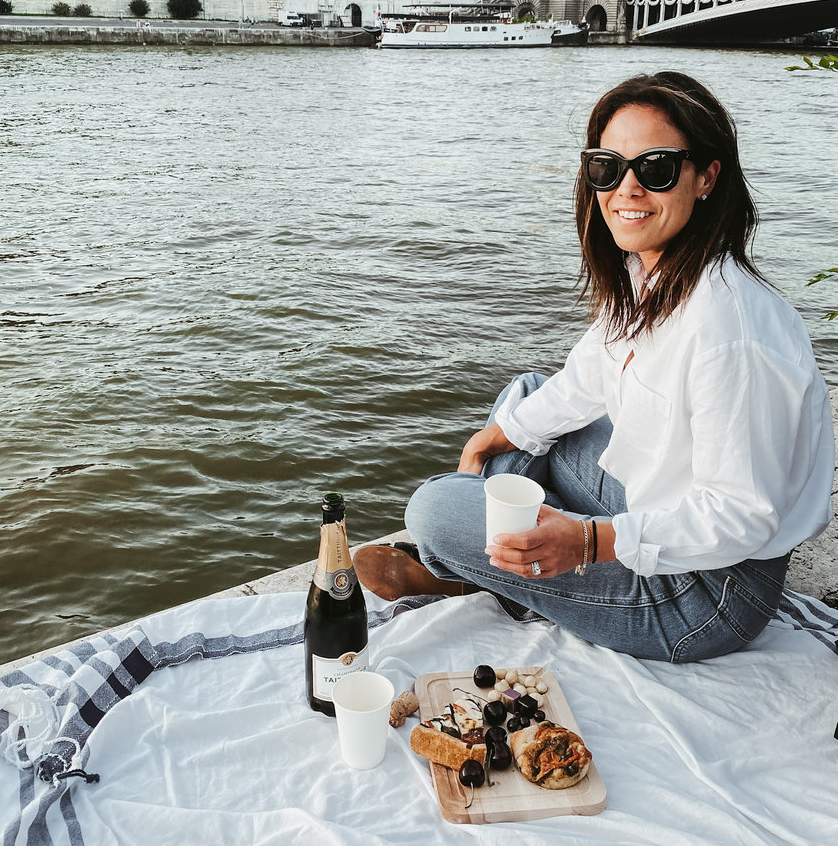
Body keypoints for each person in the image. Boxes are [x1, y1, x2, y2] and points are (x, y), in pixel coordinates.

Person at [354, 71, 834, 662]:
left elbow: (742, 517)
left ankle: (479, 573)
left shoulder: (728, 330)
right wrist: (490, 438)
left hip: (708, 592)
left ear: (707, 177)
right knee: (528, 396)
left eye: (655, 168)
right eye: (608, 167)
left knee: (432, 508)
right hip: (658, 505)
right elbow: (586, 379)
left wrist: (589, 541)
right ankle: (497, 570)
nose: (626, 189)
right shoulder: (654, 273)